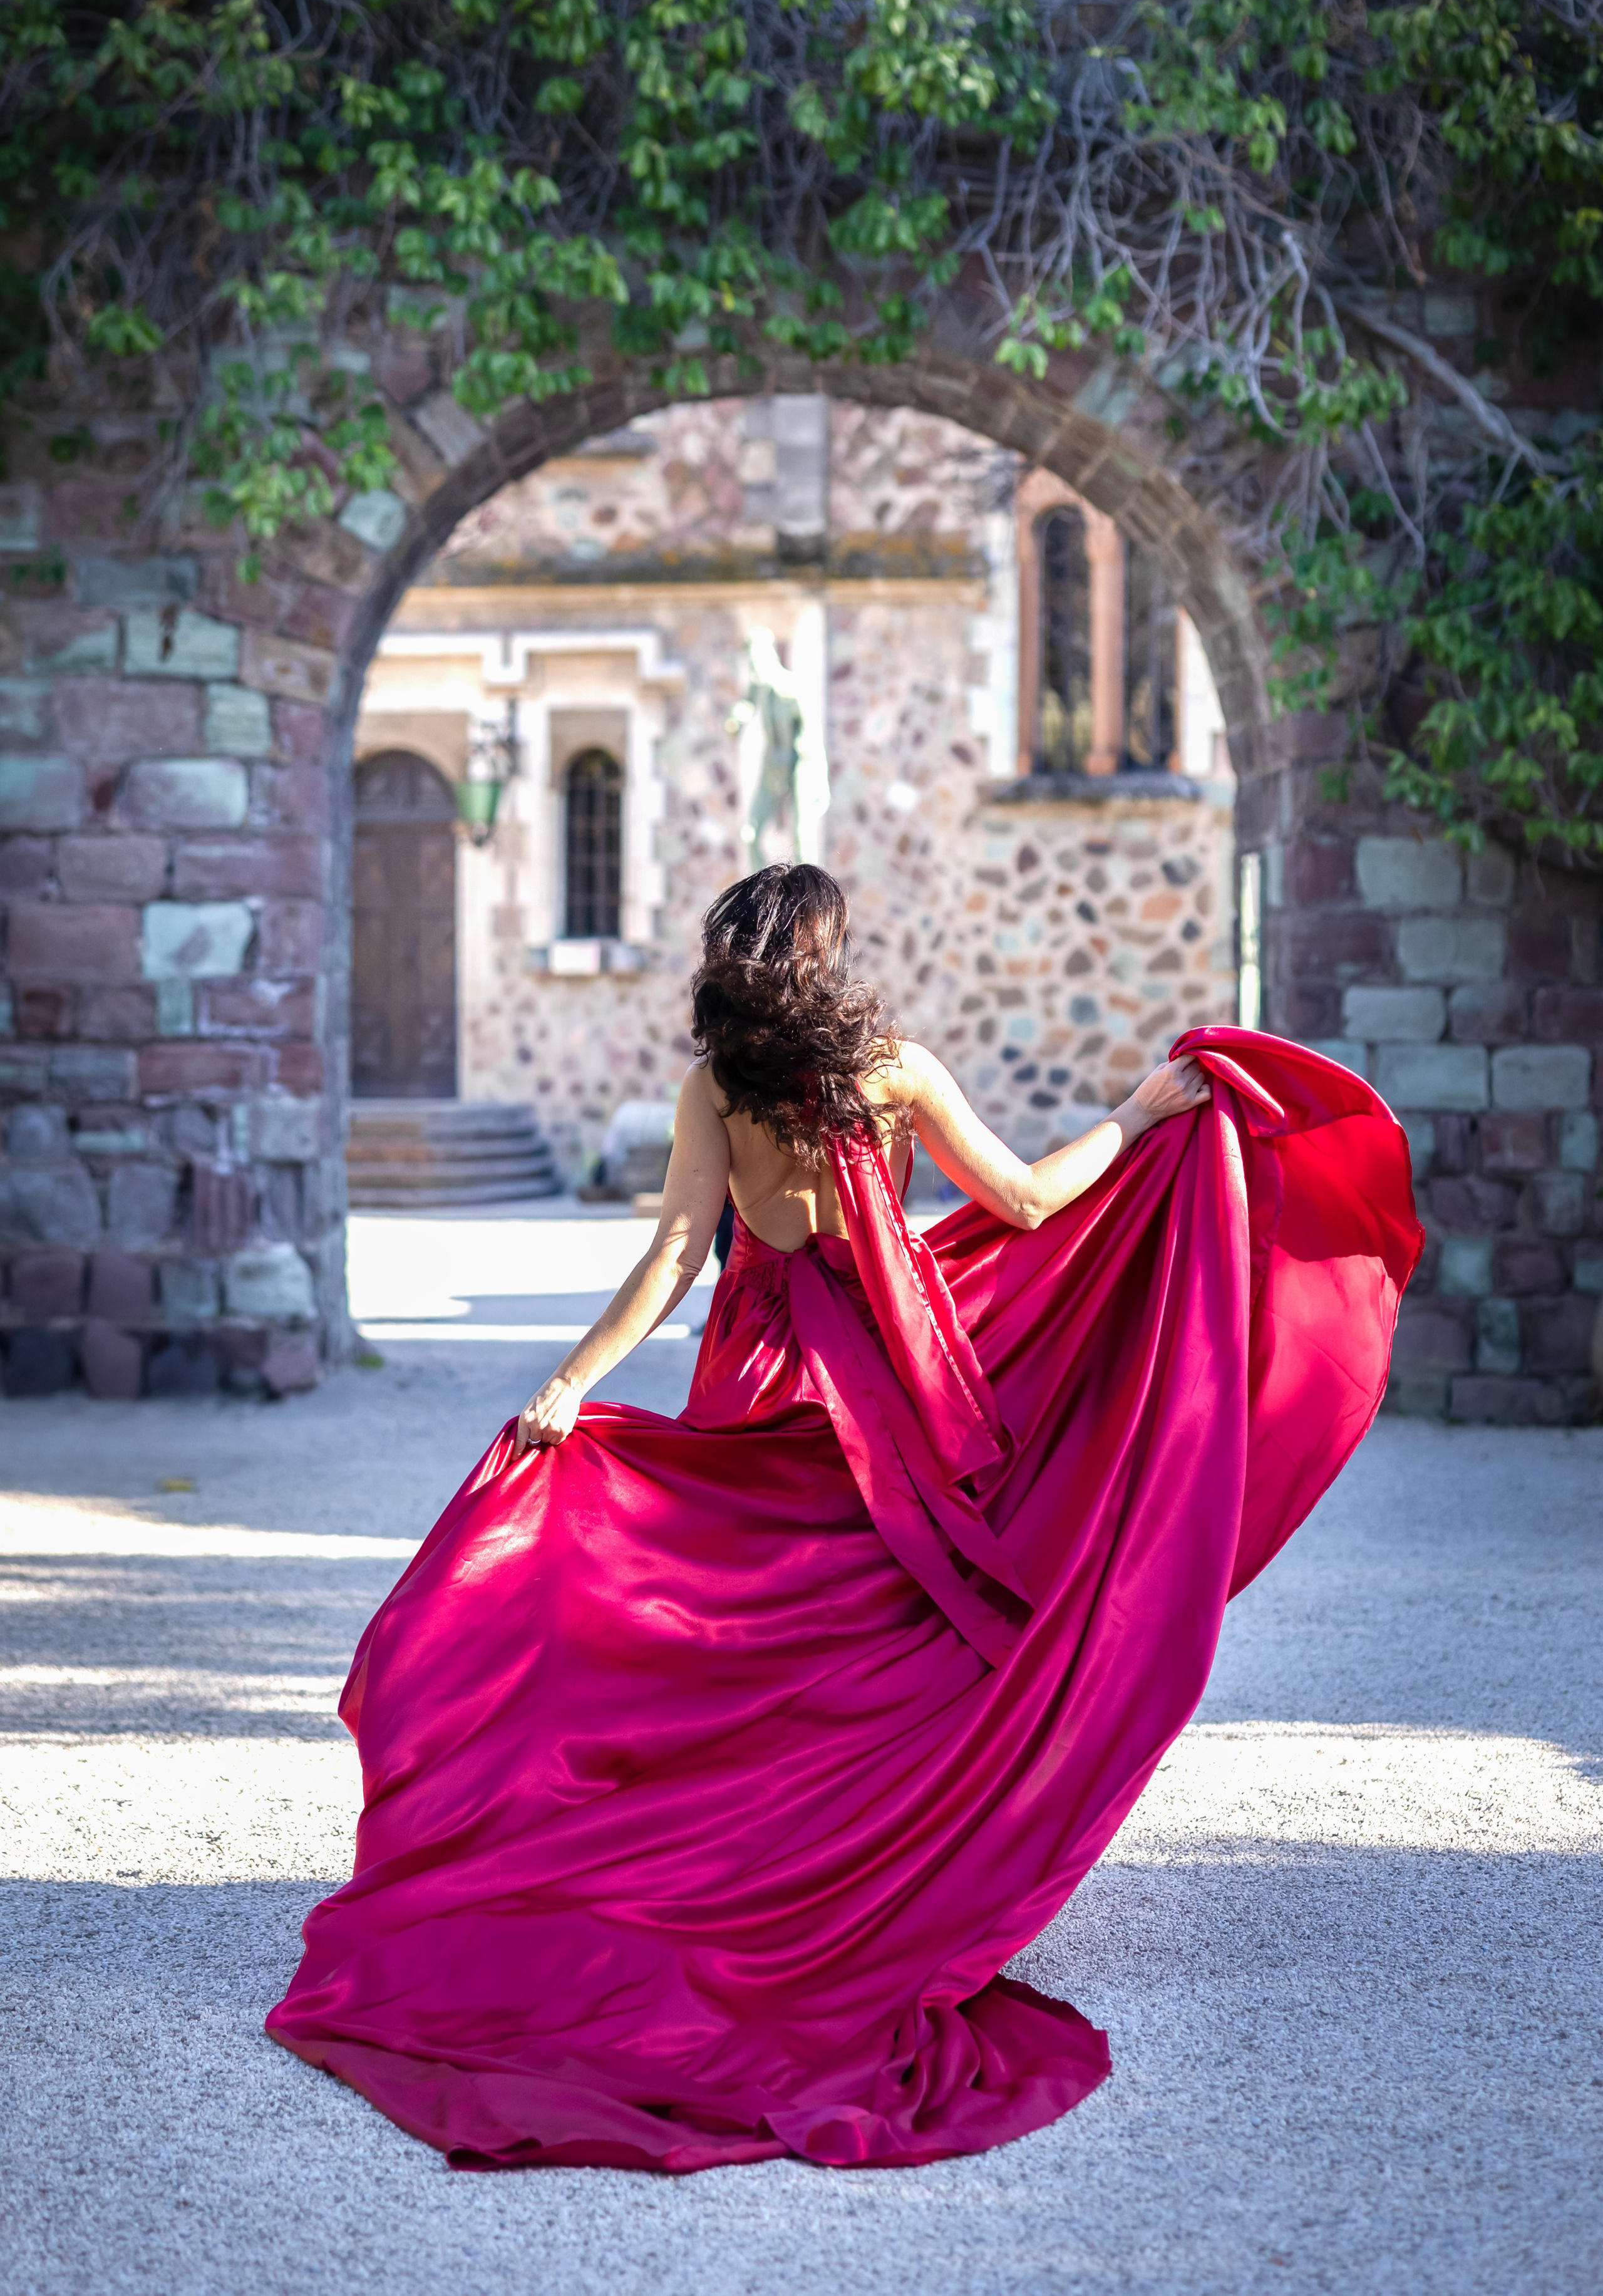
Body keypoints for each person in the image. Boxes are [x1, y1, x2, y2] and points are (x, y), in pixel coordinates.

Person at [268, 864, 1421, 2173]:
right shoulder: (896, 1075)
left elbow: (672, 1257)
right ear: (824, 959)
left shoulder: (715, 1090)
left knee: (729, 1637)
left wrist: (565, 1387)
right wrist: (1138, 1111)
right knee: (885, 1648)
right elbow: (1032, 1204)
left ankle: (715, 1850)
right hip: (899, 1404)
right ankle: (866, 1866)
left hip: (766, 1395)